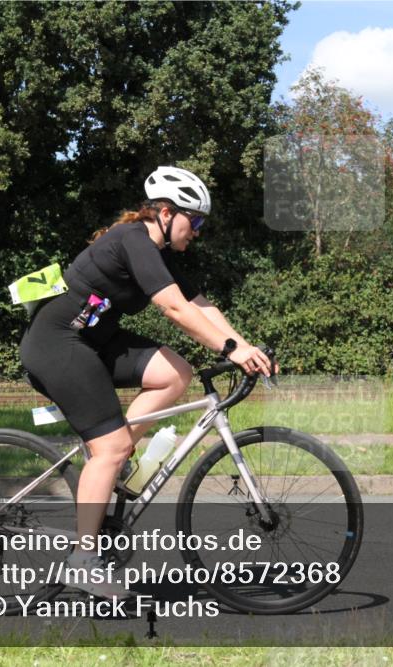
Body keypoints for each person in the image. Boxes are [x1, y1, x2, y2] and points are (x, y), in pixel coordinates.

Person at [19, 166, 272, 600]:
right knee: (111, 446)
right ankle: (84, 560)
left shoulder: (158, 252)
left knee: (176, 373)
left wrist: (246, 347)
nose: (197, 231)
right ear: (167, 212)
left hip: (94, 342)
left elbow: (198, 303)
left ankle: (114, 459)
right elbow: (174, 309)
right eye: (195, 221)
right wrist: (230, 349)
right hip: (57, 343)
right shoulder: (132, 239)